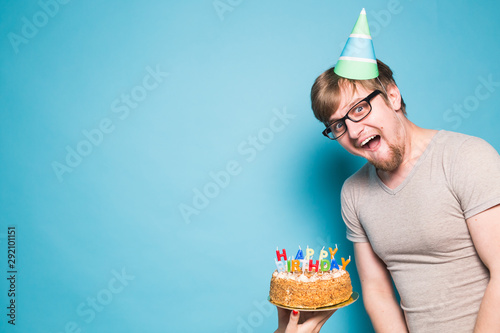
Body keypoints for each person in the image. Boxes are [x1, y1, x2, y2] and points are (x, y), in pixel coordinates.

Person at [276, 8, 500, 333]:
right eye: (337, 125)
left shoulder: (466, 157)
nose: (352, 131)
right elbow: (378, 292)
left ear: (392, 95)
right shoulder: (353, 193)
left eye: (359, 108)